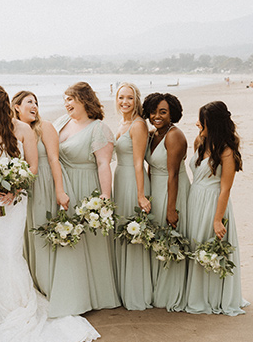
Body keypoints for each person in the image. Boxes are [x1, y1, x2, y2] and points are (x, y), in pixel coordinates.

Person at [0, 85, 99, 342]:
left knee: (11, 250)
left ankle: (19, 305)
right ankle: (0, 307)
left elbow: (32, 166)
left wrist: (13, 188)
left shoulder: (23, 130)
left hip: (15, 200)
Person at [52, 82, 120, 316]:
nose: (67, 104)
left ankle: (97, 295)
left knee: (89, 241)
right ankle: (73, 292)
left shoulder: (98, 128)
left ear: (84, 100)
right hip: (62, 186)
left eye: (71, 99)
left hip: (85, 186)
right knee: (67, 240)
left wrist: (104, 198)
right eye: (65, 100)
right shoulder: (61, 122)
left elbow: (103, 164)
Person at [185, 101, 248, 315]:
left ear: (212, 123)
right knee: (197, 246)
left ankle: (213, 296)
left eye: (201, 121)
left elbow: (225, 188)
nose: (197, 124)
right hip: (195, 200)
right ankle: (197, 293)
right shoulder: (199, 142)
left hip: (213, 202)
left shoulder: (226, 151)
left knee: (210, 247)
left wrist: (218, 219)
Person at [11, 90, 69, 296]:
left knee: (43, 231)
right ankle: (34, 283)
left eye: (36, 102)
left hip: (44, 183)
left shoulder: (44, 127)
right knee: (27, 233)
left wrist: (60, 191)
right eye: (29, 102)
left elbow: (54, 160)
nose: (34, 106)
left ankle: (50, 284)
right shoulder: (13, 130)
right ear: (16, 107)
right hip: (23, 188)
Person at [143, 93, 190, 311]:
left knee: (170, 235)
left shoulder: (174, 135)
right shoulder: (153, 134)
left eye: (163, 112)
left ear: (172, 113)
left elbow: (174, 175)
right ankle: (157, 287)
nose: (156, 116)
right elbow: (151, 167)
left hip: (173, 190)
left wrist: (171, 208)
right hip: (157, 190)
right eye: (153, 111)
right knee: (159, 238)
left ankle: (171, 291)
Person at [114, 83, 153, 310]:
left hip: (132, 180)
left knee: (133, 231)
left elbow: (139, 162)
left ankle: (136, 291)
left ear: (136, 100)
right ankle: (123, 288)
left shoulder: (138, 125)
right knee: (123, 229)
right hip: (120, 177)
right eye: (121, 97)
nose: (124, 102)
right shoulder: (122, 123)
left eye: (129, 98)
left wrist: (141, 195)